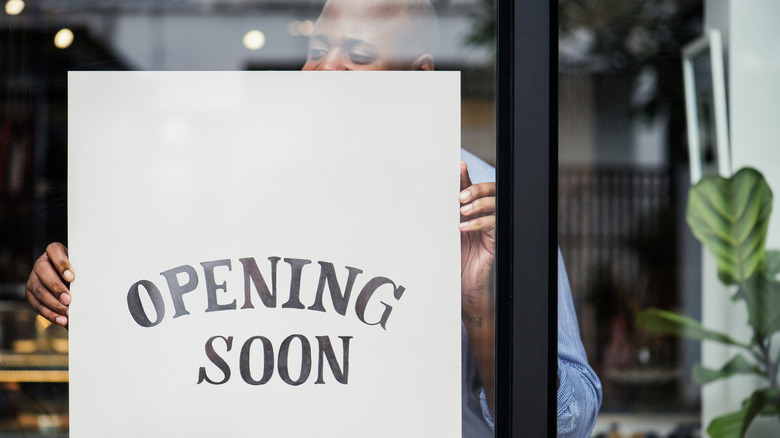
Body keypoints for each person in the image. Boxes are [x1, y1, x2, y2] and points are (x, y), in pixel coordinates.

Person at [25, 0, 601, 436]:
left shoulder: (484, 209)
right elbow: (189, 331)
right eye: (316, 49)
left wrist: (480, 306)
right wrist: (93, 300)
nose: (325, 71)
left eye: (357, 54)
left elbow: (571, 416)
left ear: (420, 76)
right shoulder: (238, 184)